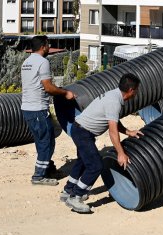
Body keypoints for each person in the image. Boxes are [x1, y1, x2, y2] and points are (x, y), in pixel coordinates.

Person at [62, 73, 143, 214]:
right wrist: (121, 153)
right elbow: (112, 131)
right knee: (95, 165)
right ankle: (76, 197)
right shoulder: (114, 102)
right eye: (137, 90)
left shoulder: (114, 95)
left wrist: (128, 131)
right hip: (83, 132)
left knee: (83, 160)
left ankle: (68, 191)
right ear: (131, 90)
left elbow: (113, 120)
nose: (137, 92)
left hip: (80, 129)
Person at [21, 35, 74, 186]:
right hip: (38, 109)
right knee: (46, 142)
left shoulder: (26, 62)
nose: (49, 47)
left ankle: (48, 169)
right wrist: (65, 93)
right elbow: (48, 87)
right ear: (44, 46)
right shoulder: (43, 62)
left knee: (45, 140)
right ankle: (38, 176)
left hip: (28, 108)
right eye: (48, 44)